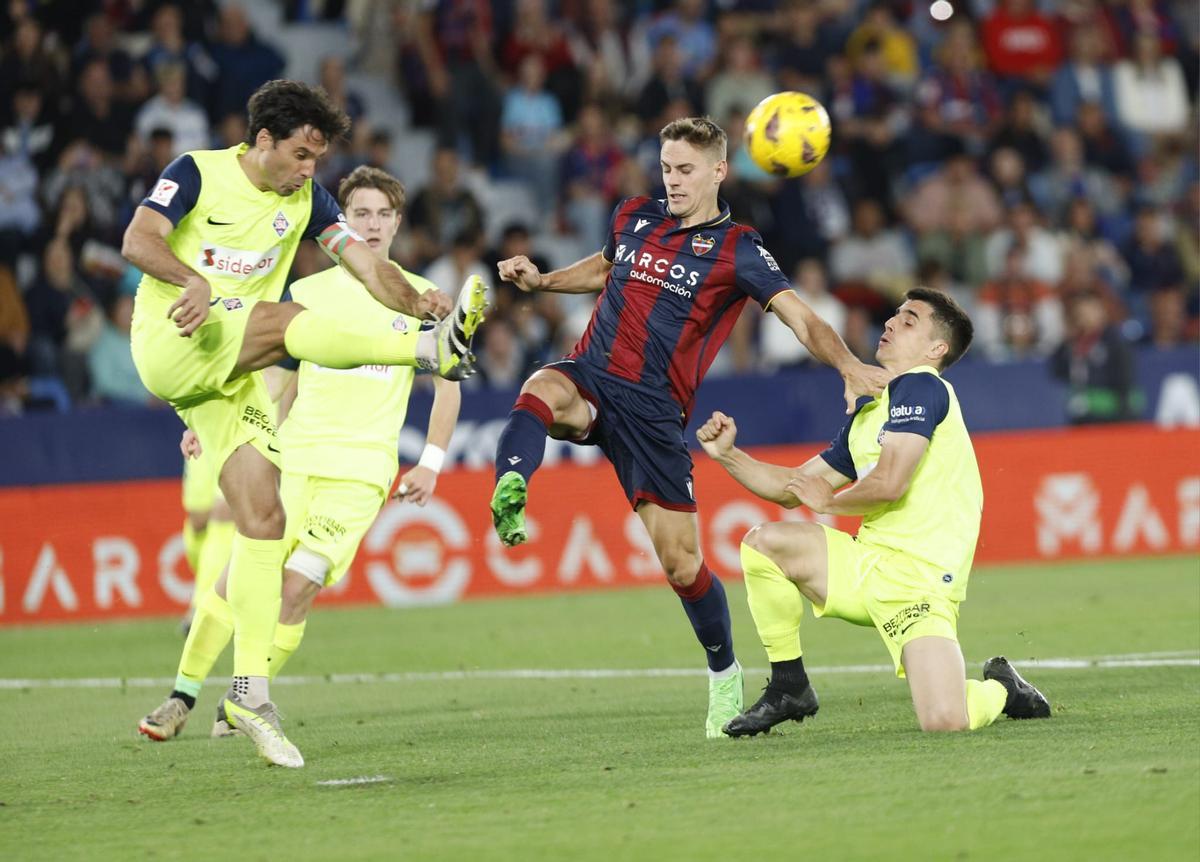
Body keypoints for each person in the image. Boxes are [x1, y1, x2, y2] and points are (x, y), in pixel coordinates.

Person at [124, 80, 486, 768]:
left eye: (317, 159)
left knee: (260, 522)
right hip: (171, 339)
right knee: (291, 326)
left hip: (226, 383)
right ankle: (427, 352)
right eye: (299, 155)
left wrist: (418, 302)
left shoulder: (309, 200)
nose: (308, 171)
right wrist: (190, 278)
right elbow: (137, 239)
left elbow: (369, 270)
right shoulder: (196, 172)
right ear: (263, 141)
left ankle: (249, 695)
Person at [490, 117, 888, 738]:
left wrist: (848, 365)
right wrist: (543, 280)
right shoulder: (634, 216)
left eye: (684, 170)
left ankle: (724, 673)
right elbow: (606, 267)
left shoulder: (739, 249)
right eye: (666, 167)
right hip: (593, 374)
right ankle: (509, 488)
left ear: (718, 171)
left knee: (682, 566)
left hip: (652, 414)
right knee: (541, 389)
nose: (671, 181)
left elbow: (800, 318)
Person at [697, 288, 1050, 736]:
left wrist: (829, 502)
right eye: (894, 316)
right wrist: (729, 455)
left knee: (945, 721)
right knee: (764, 545)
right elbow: (792, 490)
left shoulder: (924, 385)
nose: (890, 324)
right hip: (866, 567)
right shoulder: (870, 415)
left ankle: (1003, 690)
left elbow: (890, 482)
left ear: (935, 349)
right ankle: (789, 684)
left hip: (921, 584)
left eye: (909, 321)